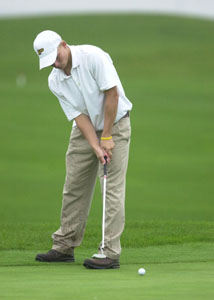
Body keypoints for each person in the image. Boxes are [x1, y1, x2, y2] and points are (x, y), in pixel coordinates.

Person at [33, 30, 132, 269]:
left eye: (56, 58)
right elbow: (78, 115)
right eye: (49, 63)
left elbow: (112, 94)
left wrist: (106, 136)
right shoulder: (54, 80)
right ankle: (64, 245)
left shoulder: (93, 56)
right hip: (84, 128)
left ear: (64, 45)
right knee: (74, 184)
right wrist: (95, 145)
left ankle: (109, 252)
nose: (55, 65)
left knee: (111, 189)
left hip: (115, 123)